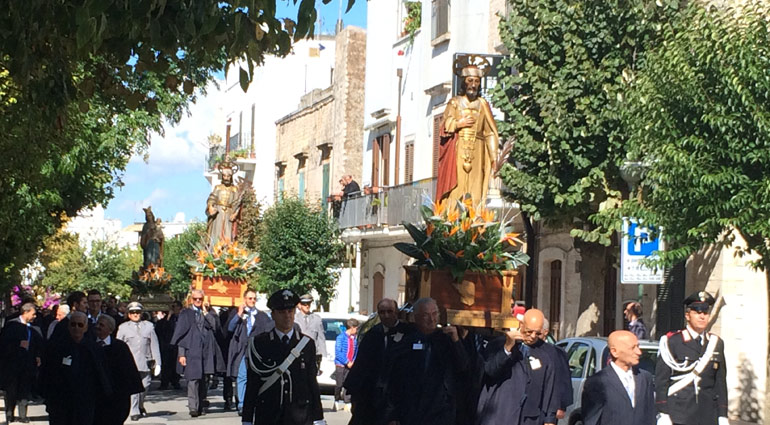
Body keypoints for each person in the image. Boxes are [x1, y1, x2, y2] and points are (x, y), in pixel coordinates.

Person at [241, 289, 325, 425]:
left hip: (300, 416)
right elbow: (252, 384)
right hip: (269, 415)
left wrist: (318, 417)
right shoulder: (260, 343)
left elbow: (312, 384)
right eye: (281, 312)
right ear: (273, 315)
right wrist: (247, 419)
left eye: (290, 311)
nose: (287, 316)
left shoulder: (306, 344)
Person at [385, 297, 468, 425]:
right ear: (416, 317)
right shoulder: (406, 342)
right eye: (426, 315)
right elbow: (394, 380)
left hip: (440, 412)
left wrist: (456, 341)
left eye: (435, 314)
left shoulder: (447, 340)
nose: (432, 319)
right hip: (412, 411)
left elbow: (463, 366)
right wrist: (393, 414)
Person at [476, 308, 560, 425]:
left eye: (538, 333)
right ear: (521, 325)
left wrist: (549, 420)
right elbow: (490, 371)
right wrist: (508, 348)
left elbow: (550, 389)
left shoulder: (546, 353)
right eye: (529, 332)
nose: (533, 336)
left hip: (530, 418)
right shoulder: (498, 344)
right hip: (501, 415)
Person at [656, 291, 728, 425]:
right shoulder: (672, 342)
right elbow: (661, 381)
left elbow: (720, 382)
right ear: (687, 315)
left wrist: (723, 415)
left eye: (705, 313)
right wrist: (663, 412)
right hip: (679, 414)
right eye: (697, 312)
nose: (702, 317)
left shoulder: (716, 343)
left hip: (707, 414)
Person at [437, 55, 499, 206]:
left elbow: (490, 132)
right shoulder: (455, 103)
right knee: (457, 189)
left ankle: (475, 218)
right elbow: (445, 124)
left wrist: (493, 157)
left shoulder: (483, 104)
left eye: (476, 81)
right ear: (464, 82)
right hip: (458, 149)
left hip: (478, 150)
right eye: (470, 81)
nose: (473, 84)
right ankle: (451, 218)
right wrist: (459, 123)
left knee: (476, 190)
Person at [345, 299, 413, 425]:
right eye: (382, 312)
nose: (386, 315)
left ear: (396, 312)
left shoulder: (408, 333)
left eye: (389, 311)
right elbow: (361, 364)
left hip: (397, 394)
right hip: (372, 395)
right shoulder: (372, 334)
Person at [39, 311, 112, 425]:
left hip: (85, 402)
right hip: (61, 402)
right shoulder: (56, 348)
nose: (76, 328)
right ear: (68, 326)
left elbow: (101, 375)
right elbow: (47, 373)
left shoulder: (93, 349)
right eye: (73, 324)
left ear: (86, 328)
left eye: (80, 325)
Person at [171, 289, 225, 417]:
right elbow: (181, 335)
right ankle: (193, 407)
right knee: (192, 379)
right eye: (195, 299)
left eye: (200, 299)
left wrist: (206, 313)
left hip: (206, 351)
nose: (198, 301)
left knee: (204, 379)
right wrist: (181, 354)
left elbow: (215, 327)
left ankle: (201, 403)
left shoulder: (209, 313)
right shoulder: (186, 313)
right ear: (191, 299)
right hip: (192, 350)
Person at [582, 330, 655, 425]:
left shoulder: (645, 378)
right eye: (633, 348)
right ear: (614, 352)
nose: (639, 352)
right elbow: (591, 420)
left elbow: (650, 415)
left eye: (638, 346)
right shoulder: (597, 382)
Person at [227, 289, 274, 414]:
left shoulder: (262, 316)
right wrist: (239, 314)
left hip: (256, 350)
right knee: (242, 376)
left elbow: (269, 331)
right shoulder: (238, 314)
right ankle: (242, 404)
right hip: (241, 350)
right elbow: (230, 328)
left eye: (254, 298)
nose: (252, 300)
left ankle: (255, 402)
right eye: (250, 298)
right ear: (244, 299)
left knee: (256, 377)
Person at [94, 315, 144, 425]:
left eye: (101, 325)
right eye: (97, 324)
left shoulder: (120, 347)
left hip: (116, 399)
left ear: (110, 329)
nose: (97, 327)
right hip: (95, 398)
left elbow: (128, 372)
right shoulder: (90, 345)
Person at [117, 302, 162, 421]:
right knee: (134, 388)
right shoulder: (123, 327)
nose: (135, 314)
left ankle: (141, 405)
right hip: (130, 363)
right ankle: (134, 410)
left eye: (137, 312)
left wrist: (158, 363)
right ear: (129, 314)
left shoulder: (149, 326)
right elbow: (118, 346)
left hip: (146, 362)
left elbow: (154, 345)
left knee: (145, 386)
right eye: (132, 312)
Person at [0, 303, 43, 423]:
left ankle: (23, 415)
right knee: (11, 390)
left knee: (25, 390)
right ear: (26, 312)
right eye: (33, 313)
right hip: (12, 364)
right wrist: (17, 345)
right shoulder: (12, 325)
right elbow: (3, 344)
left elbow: (39, 343)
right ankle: (10, 413)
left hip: (28, 364)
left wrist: (38, 355)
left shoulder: (33, 327)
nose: (35, 316)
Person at [541, 318, 573, 420]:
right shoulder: (521, 350)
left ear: (545, 332)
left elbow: (564, 379)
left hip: (548, 407)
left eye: (537, 332)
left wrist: (561, 405)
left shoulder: (557, 353)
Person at [206, 161, 243, 244]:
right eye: (224, 176)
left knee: (228, 235)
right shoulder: (218, 188)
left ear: (231, 177)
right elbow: (212, 198)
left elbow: (237, 203)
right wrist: (211, 206)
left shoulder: (234, 189)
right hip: (218, 213)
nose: (226, 178)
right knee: (217, 233)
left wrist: (235, 214)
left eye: (228, 176)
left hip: (229, 214)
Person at [295, 294, 327, 369]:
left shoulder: (316, 319)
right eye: (304, 304)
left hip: (312, 355)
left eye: (309, 304)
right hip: (297, 355)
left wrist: (322, 355)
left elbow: (321, 338)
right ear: (300, 305)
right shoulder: (294, 319)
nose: (307, 306)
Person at [333, 318, 359, 411]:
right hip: (341, 364)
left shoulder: (354, 339)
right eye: (356, 328)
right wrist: (347, 362)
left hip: (351, 365)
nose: (356, 331)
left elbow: (356, 351)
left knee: (348, 384)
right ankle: (336, 399)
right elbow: (338, 352)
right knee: (339, 384)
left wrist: (353, 361)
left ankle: (347, 402)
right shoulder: (341, 337)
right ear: (352, 328)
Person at [156, 300, 182, 390]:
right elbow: (162, 329)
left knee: (176, 365)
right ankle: (164, 382)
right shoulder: (166, 319)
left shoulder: (181, 318)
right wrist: (168, 316)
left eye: (175, 306)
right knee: (166, 364)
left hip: (177, 345)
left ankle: (175, 381)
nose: (173, 308)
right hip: (167, 345)